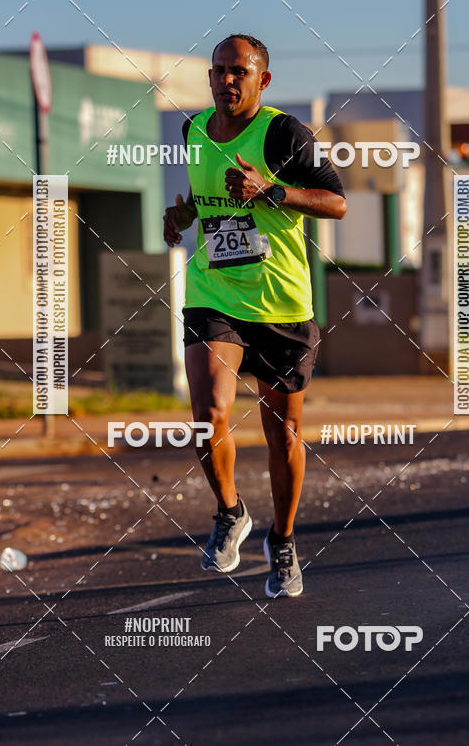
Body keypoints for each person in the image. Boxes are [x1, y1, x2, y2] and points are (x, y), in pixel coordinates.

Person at [163, 34, 346, 597]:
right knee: (208, 411)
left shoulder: (284, 133)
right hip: (214, 291)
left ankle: (283, 540)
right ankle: (229, 511)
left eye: (238, 71)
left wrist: (273, 190)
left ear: (262, 79)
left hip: (280, 303)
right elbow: (204, 196)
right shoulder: (192, 131)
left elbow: (336, 200)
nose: (226, 81)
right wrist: (182, 214)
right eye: (218, 71)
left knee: (283, 432)